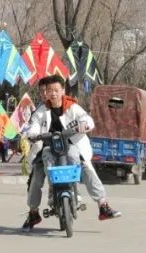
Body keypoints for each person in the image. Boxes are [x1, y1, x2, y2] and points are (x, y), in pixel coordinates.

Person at [21, 75, 121, 230]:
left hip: (72, 145)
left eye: (56, 90)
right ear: (45, 92)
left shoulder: (72, 107)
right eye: (49, 91)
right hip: (48, 148)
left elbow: (87, 119)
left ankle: (103, 206)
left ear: (63, 91)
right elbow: (33, 126)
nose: (53, 93)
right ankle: (33, 212)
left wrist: (83, 124)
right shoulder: (41, 111)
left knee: (87, 169)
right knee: (36, 175)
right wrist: (33, 134)